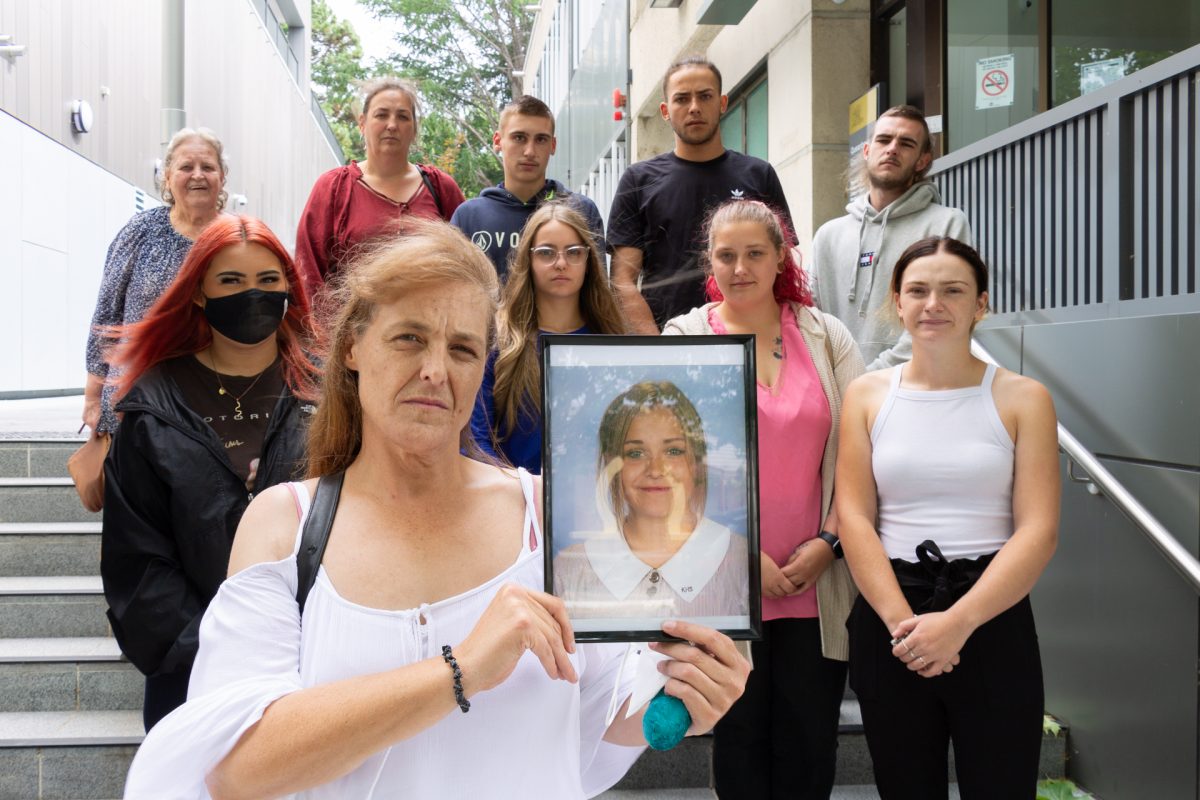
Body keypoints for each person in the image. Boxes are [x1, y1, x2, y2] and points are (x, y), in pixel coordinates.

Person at [121, 219, 750, 798]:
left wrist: (687, 695)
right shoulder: (284, 525)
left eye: (462, 349)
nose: (434, 371)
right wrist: (463, 669)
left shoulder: (547, 514)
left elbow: (605, 708)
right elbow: (239, 767)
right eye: (409, 338)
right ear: (352, 350)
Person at [836, 236, 1059, 798]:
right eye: (918, 290)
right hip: (894, 617)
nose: (933, 303)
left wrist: (957, 623)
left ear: (980, 304)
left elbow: (1038, 529)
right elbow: (855, 517)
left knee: (1002, 785)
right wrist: (902, 627)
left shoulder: (1023, 397)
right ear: (898, 301)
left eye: (953, 290)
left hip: (991, 611)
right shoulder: (865, 396)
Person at [663, 199, 864, 798]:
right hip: (724, 579)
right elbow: (668, 462)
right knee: (739, 742)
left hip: (815, 582)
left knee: (809, 745)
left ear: (781, 257)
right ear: (710, 261)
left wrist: (830, 543)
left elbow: (860, 455)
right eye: (727, 255)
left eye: (756, 253)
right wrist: (739, 553)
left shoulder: (826, 337)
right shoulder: (686, 335)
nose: (741, 267)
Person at [100, 216, 318, 730]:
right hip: (189, 672)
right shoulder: (153, 403)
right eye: (231, 281)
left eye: (269, 281)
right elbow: (137, 557)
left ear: (289, 286)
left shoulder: (329, 394)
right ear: (198, 292)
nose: (253, 296)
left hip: (312, 663)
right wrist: (214, 649)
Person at [608, 55, 793, 333]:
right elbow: (622, 281)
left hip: (752, 340)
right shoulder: (639, 180)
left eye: (705, 96)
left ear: (722, 103)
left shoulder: (759, 174)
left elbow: (783, 264)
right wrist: (658, 346)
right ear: (665, 110)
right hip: (670, 341)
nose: (694, 107)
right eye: (682, 99)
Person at [554, 380, 750, 624]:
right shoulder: (569, 570)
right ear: (612, 466)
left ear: (697, 464)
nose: (656, 470)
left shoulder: (742, 562)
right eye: (636, 453)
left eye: (674, 451)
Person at [84, 127, 230, 434]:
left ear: (222, 176)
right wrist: (93, 395)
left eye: (208, 167)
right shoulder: (141, 231)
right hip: (134, 394)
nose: (198, 175)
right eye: (186, 167)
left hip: (214, 398)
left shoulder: (236, 238)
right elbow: (107, 314)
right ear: (167, 176)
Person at [810, 105, 972, 371]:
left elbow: (948, 314)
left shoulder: (946, 224)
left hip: (916, 389)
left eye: (906, 143)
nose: (893, 148)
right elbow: (811, 320)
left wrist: (869, 379)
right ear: (866, 151)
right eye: (884, 140)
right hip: (842, 395)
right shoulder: (828, 236)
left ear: (922, 160)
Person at [470, 201, 626, 472]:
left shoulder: (611, 342)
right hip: (513, 501)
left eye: (574, 252)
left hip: (592, 502)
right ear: (527, 260)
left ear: (588, 261)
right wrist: (517, 492)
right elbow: (475, 440)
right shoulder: (498, 341)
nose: (561, 263)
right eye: (546, 253)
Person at [294, 77, 466, 289]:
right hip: (351, 322)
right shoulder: (334, 187)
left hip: (431, 320)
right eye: (381, 115)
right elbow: (308, 272)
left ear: (414, 129)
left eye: (403, 117)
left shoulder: (441, 188)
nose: (392, 125)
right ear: (362, 123)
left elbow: (466, 264)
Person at [450, 94, 606, 281]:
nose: (530, 151)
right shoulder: (469, 217)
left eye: (540, 140)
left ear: (553, 145)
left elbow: (599, 291)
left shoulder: (581, 210)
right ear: (498, 141)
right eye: (519, 138)